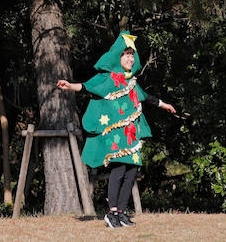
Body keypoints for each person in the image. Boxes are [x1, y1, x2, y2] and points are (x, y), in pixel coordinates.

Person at [56, 31, 176, 228]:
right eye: (126, 54)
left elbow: (147, 97)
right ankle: (111, 214)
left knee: (132, 172)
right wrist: (70, 86)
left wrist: (164, 104)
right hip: (116, 137)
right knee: (119, 170)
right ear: (118, 57)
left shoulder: (132, 82)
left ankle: (121, 212)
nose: (130, 58)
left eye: (132, 55)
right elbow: (87, 87)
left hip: (132, 137)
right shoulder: (107, 79)